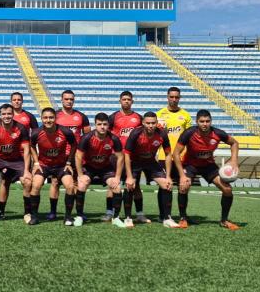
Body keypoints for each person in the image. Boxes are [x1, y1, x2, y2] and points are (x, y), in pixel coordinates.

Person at [169, 110, 241, 230]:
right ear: (197, 122)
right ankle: (183, 218)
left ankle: (224, 220)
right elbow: (176, 154)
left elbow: (234, 143)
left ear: (211, 122)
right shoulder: (189, 133)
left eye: (207, 121)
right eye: (202, 121)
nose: (205, 124)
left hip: (208, 165)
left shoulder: (218, 133)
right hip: (190, 165)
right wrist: (182, 175)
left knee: (227, 189)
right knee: (183, 186)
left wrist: (234, 160)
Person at [123, 112, 180, 228]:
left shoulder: (162, 134)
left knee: (167, 184)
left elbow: (168, 154)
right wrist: (129, 176)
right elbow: (127, 155)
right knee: (131, 185)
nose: (150, 125)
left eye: (153, 123)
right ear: (143, 123)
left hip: (151, 162)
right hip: (135, 162)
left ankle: (166, 218)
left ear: (157, 123)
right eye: (148, 123)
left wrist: (168, 176)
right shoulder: (136, 133)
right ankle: (128, 218)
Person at [74, 113, 126, 228]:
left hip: (105, 168)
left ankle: (116, 218)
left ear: (108, 125)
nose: (102, 127)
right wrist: (80, 175)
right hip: (89, 167)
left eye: (105, 124)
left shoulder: (114, 139)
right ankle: (79, 216)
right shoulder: (87, 138)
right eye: (99, 124)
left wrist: (117, 177)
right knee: (82, 185)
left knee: (117, 187)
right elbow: (78, 156)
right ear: (95, 125)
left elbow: (121, 157)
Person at [28, 108, 77, 226]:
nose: (48, 120)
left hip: (61, 166)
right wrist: (36, 162)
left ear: (55, 118)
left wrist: (69, 162)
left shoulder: (65, 131)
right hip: (44, 165)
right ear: (41, 118)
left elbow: (74, 145)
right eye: (45, 118)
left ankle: (68, 217)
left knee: (70, 186)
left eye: (51, 117)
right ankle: (34, 216)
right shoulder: (36, 132)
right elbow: (31, 146)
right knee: (36, 185)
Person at [0, 103, 31, 223]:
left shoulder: (21, 128)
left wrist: (26, 170)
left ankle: (27, 213)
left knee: (27, 182)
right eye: (4, 114)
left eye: (9, 113)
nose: (7, 116)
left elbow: (26, 150)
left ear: (13, 114)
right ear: (0, 115)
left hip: (16, 160)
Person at [49, 90, 90, 221]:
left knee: (78, 183)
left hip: (76, 155)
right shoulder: (55, 116)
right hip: (59, 155)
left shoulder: (81, 116)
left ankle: (79, 212)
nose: (69, 101)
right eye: (66, 99)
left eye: (71, 99)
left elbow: (87, 137)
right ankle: (53, 212)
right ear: (61, 100)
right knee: (55, 182)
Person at [108, 91, 146, 223]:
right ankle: (110, 213)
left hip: (133, 157)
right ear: (120, 101)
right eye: (124, 99)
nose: (126, 101)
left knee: (135, 186)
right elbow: (107, 135)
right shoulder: (113, 117)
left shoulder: (139, 118)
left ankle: (140, 214)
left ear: (132, 101)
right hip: (116, 156)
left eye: (129, 99)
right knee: (113, 184)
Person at [156, 87, 192, 220]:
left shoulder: (186, 115)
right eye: (171, 97)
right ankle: (164, 215)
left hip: (182, 157)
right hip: (163, 156)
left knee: (183, 185)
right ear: (167, 97)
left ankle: (183, 216)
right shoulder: (159, 115)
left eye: (176, 97)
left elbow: (190, 136)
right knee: (165, 186)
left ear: (180, 98)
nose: (174, 99)